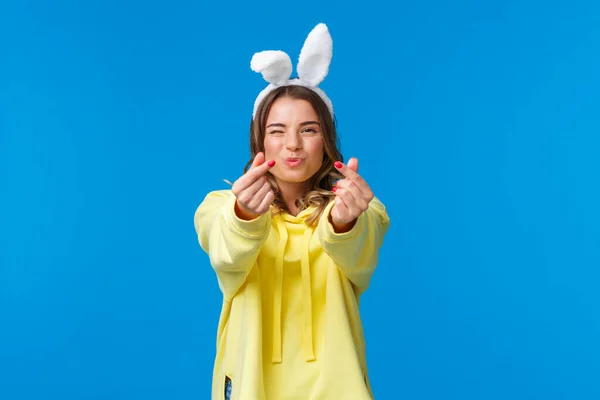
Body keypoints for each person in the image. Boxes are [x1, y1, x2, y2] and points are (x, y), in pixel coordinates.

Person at [193, 23, 390, 400]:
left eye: (309, 130)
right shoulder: (219, 207)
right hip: (253, 387)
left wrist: (343, 221)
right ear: (260, 140)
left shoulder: (362, 208)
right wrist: (245, 217)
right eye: (278, 131)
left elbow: (360, 250)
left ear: (326, 140)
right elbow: (225, 249)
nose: (293, 145)